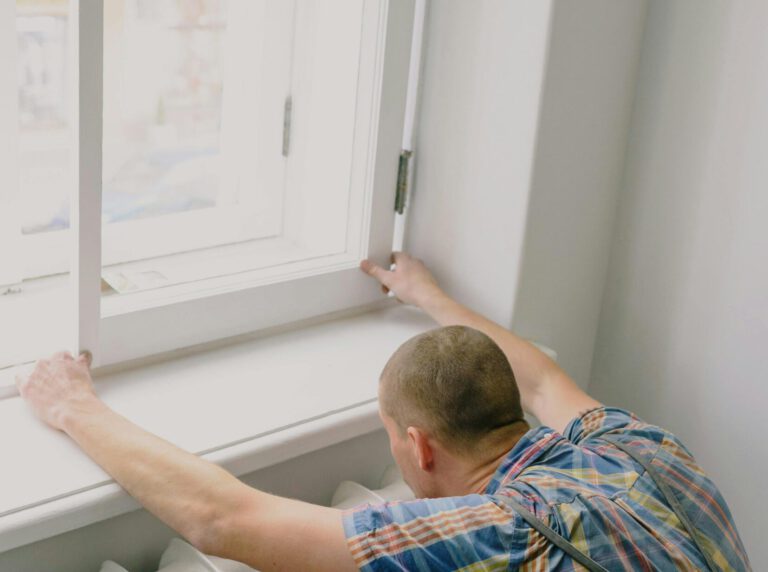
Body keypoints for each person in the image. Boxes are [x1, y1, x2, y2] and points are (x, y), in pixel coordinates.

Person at [17, 252, 750, 571]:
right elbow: (543, 378)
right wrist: (430, 299)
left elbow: (224, 522)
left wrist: (74, 407)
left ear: (419, 447)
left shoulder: (502, 539)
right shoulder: (640, 446)